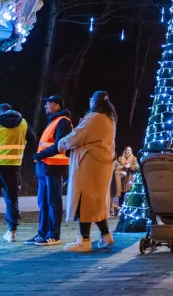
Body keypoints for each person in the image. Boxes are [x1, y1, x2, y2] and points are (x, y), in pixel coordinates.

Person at [58, 90, 117, 253]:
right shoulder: (109, 119)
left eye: (91, 98)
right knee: (96, 201)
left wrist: (61, 143)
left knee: (84, 200)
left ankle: (84, 240)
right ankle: (105, 235)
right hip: (102, 165)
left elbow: (77, 135)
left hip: (88, 164)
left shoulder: (94, 118)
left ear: (95, 101)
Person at [0, 103, 35, 245]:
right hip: (13, 167)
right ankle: (12, 232)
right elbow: (33, 139)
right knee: (12, 200)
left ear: (1, 113)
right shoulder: (23, 124)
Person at [27, 95, 73, 246]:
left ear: (57, 106)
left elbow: (61, 144)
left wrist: (41, 155)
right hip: (45, 167)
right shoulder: (54, 121)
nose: (46, 106)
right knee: (43, 201)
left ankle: (54, 234)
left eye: (49, 103)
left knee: (53, 201)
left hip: (54, 167)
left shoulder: (63, 122)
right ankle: (43, 233)